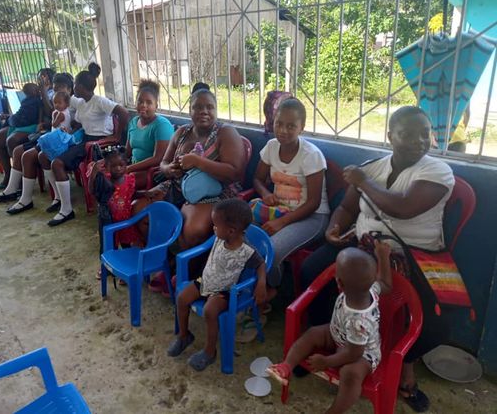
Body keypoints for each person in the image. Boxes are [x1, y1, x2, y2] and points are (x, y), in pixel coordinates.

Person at [300, 106, 455, 412]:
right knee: (311, 271)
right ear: (390, 137)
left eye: (425, 133)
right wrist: (334, 228)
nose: (419, 140)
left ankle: (405, 365)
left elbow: (403, 208)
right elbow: (346, 208)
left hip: (414, 253)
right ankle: (328, 343)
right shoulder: (372, 168)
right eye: (407, 134)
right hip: (363, 245)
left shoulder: (437, 171)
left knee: (439, 323)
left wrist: (362, 182)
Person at [267, 243, 392, 414]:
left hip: (363, 354)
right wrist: (383, 257)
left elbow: (353, 354)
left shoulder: (359, 322)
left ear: (339, 283)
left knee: (350, 375)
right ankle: (286, 366)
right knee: (312, 333)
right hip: (339, 334)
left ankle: (334, 411)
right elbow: (386, 284)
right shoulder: (370, 289)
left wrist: (326, 361)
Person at [7, 63, 129, 226]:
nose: (73, 88)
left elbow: (123, 113)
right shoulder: (81, 102)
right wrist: (46, 89)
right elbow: (63, 100)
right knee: (43, 156)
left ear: (80, 87)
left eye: (75, 84)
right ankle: (58, 198)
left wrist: (116, 135)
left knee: (57, 163)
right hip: (84, 139)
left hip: (97, 143)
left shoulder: (99, 101)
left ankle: (67, 210)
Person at [141, 83, 246, 250]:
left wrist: (198, 162)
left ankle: (184, 263)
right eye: (197, 107)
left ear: (216, 110)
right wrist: (170, 169)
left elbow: (235, 173)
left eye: (209, 107)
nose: (204, 111)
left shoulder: (225, 133)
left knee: (192, 230)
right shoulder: (182, 132)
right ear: (190, 110)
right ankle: (161, 254)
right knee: (141, 211)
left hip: (214, 193)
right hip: (177, 186)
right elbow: (163, 163)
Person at [167, 199, 266, 371]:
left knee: (210, 311)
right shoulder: (221, 237)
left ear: (231, 230)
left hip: (224, 291)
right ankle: (184, 335)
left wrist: (261, 284)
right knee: (182, 298)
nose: (213, 228)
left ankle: (209, 351)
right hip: (206, 281)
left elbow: (261, 264)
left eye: (216, 225)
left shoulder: (246, 250)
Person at [249, 97, 330, 297]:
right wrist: (266, 194)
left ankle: (273, 290)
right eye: (279, 124)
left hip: (312, 216)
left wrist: (281, 223)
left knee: (272, 249)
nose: (283, 130)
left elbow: (313, 203)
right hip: (279, 209)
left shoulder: (311, 155)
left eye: (291, 126)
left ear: (302, 127)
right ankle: (254, 284)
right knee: (243, 233)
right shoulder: (271, 147)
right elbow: (257, 179)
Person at [0, 72, 75, 204]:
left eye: (61, 88)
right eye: (55, 88)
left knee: (27, 155)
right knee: (18, 151)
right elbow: (51, 116)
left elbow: (59, 118)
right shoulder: (56, 99)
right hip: (50, 135)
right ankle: (13, 189)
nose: (57, 91)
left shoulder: (72, 103)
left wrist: (44, 94)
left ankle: (27, 198)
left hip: (58, 140)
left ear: (69, 89)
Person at [90, 146, 141, 260]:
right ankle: (107, 265)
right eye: (113, 166)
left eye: (121, 165)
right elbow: (92, 190)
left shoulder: (129, 180)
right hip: (109, 221)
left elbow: (132, 194)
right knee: (108, 246)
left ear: (126, 164)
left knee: (127, 245)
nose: (118, 168)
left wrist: (145, 193)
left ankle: (127, 264)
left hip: (125, 221)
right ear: (106, 166)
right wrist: (94, 172)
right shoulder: (105, 180)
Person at [0, 83, 43, 190]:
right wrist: (11, 118)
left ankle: (19, 178)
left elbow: (31, 117)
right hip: (19, 124)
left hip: (32, 126)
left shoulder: (41, 99)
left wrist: (11, 119)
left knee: (12, 140)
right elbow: (21, 115)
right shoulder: (27, 101)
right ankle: (8, 175)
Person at [125, 80, 174, 189]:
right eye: (140, 101)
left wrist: (129, 169)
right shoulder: (133, 122)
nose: (143, 105)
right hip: (132, 168)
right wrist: (109, 161)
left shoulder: (162, 125)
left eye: (149, 102)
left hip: (152, 173)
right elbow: (127, 152)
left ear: (156, 106)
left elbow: (158, 158)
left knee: (119, 184)